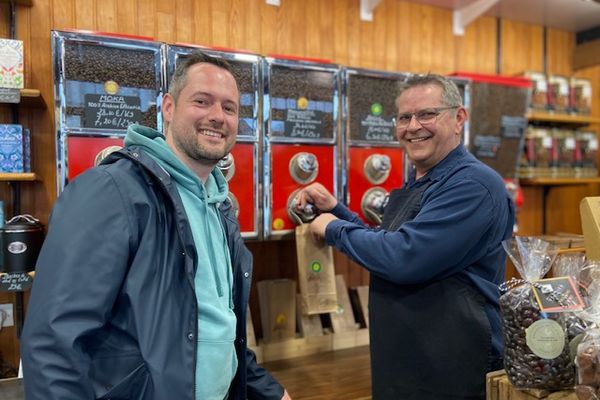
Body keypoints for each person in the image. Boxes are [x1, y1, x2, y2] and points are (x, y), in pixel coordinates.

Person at [21, 52, 291, 400]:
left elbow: (219, 331)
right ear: (167, 107)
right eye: (201, 101)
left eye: (229, 108)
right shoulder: (111, 190)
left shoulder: (220, 209)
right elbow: (53, 341)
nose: (217, 117)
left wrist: (268, 391)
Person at [296, 74, 515, 400]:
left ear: (458, 119)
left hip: (452, 367)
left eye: (427, 114)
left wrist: (332, 228)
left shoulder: (473, 185)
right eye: (404, 117)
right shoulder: (422, 182)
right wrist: (338, 210)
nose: (412, 126)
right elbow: (388, 243)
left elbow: (404, 258)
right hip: (408, 360)